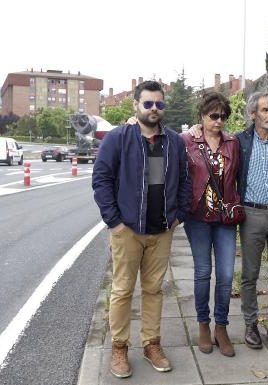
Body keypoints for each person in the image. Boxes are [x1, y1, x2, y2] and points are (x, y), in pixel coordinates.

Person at [189, 91, 268, 352]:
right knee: (249, 276)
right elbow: (210, 137)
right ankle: (251, 325)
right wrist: (199, 126)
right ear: (253, 114)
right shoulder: (239, 142)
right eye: (265, 110)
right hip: (250, 215)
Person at [92, 80, 191, 378]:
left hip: (161, 230)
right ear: (136, 105)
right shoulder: (119, 138)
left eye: (159, 104)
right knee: (122, 290)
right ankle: (119, 349)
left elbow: (186, 180)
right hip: (128, 230)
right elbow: (101, 180)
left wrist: (178, 215)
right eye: (148, 103)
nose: (154, 109)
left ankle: (151, 344)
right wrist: (115, 223)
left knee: (153, 290)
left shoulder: (173, 141)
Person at [181, 92, 241, 357]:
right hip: (198, 218)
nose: (219, 121)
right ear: (202, 117)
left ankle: (222, 326)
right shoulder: (187, 141)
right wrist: (132, 122)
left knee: (226, 275)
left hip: (225, 218)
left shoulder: (233, 143)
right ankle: (203, 324)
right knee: (203, 272)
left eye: (223, 116)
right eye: (213, 116)